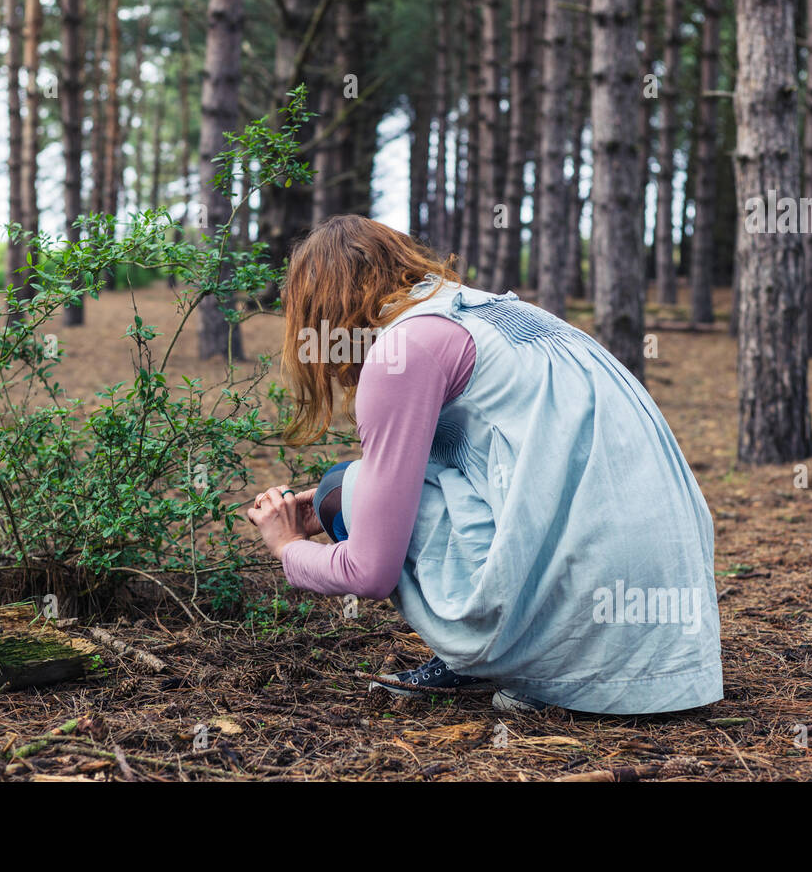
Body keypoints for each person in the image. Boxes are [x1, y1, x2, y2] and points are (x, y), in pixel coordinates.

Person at [246, 215, 722, 714]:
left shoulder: (401, 351)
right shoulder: (492, 312)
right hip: (677, 644)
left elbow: (370, 573)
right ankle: (520, 662)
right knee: (341, 492)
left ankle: (515, 666)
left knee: (344, 486)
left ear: (319, 309)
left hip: (583, 622)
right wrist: (334, 507)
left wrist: (287, 548)